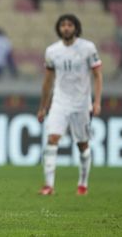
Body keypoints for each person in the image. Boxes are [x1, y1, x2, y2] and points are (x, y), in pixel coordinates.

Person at [37, 14, 103, 196]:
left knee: (82, 144)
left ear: (76, 27)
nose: (66, 28)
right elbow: (48, 81)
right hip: (60, 102)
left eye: (70, 25)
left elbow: (97, 75)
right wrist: (43, 107)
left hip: (82, 103)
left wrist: (97, 102)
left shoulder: (88, 48)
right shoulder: (52, 51)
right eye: (63, 25)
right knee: (52, 139)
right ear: (59, 28)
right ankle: (48, 185)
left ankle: (83, 183)